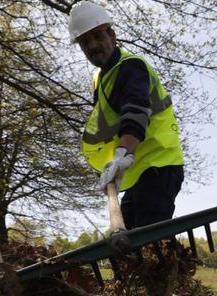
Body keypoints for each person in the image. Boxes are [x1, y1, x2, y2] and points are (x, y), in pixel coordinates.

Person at [68, 1, 185, 229]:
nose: (93, 45)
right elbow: (110, 127)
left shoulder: (131, 66)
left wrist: (123, 153)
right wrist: (112, 163)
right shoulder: (99, 79)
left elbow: (136, 110)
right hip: (136, 170)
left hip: (159, 165)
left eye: (98, 36)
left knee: (151, 243)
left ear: (112, 35)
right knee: (131, 243)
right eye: (85, 42)